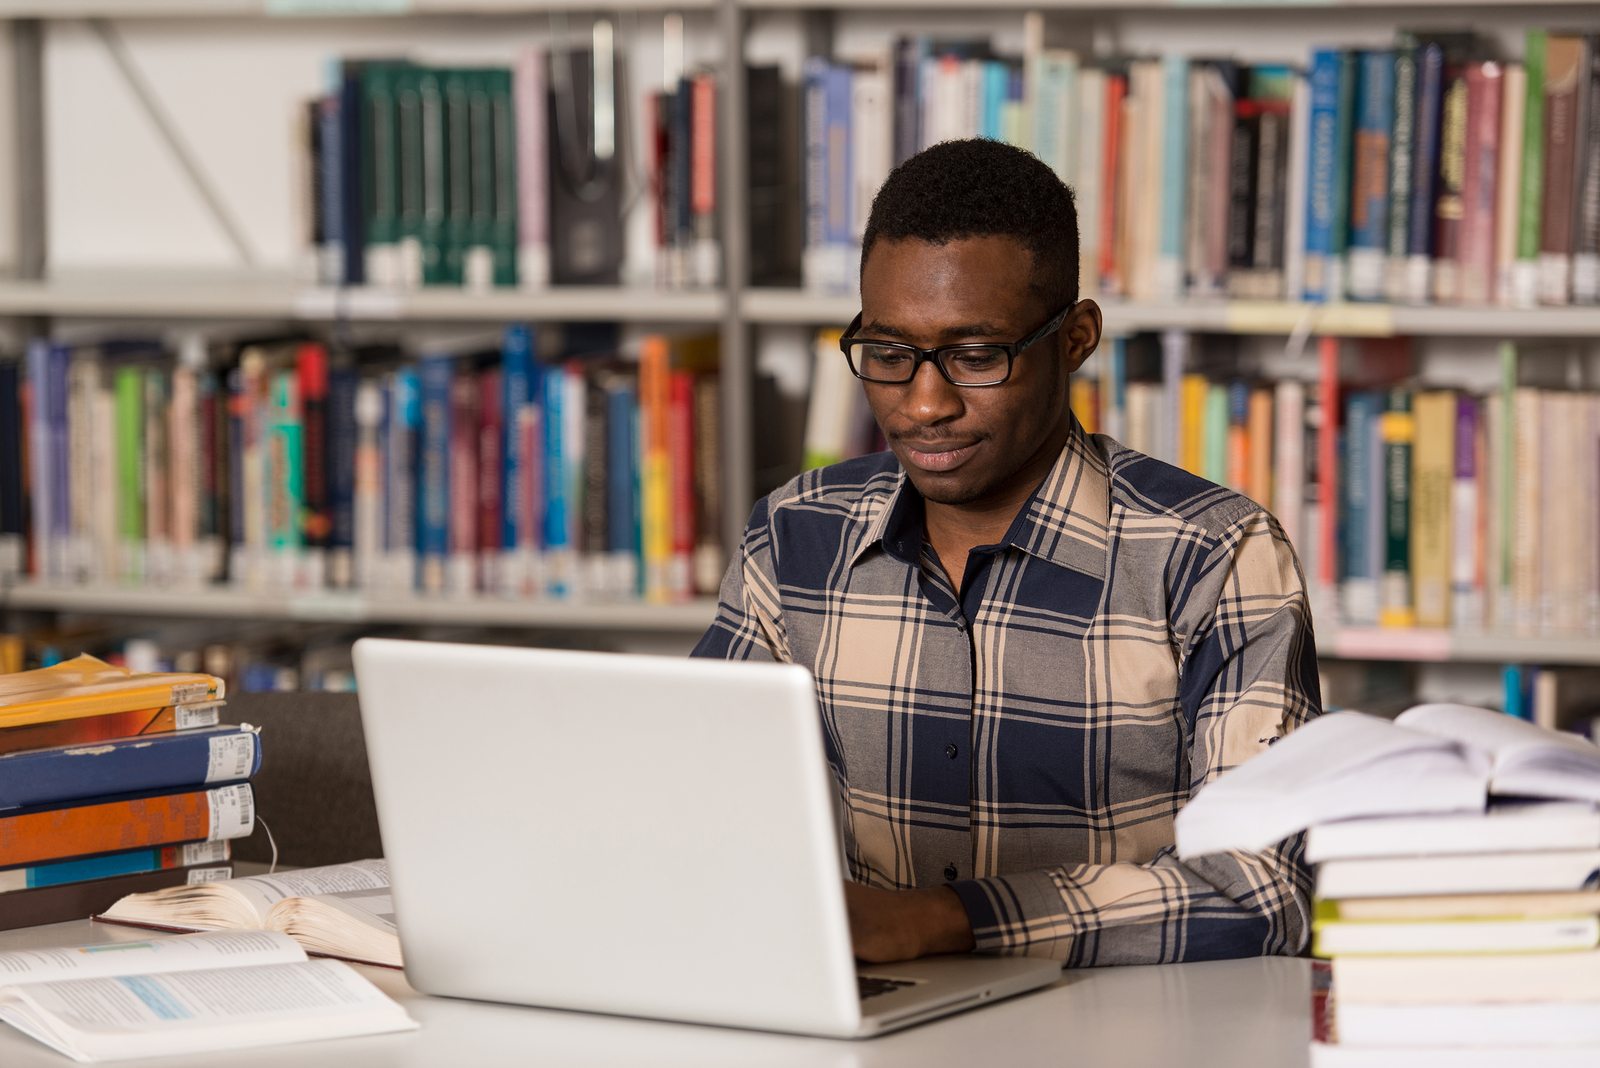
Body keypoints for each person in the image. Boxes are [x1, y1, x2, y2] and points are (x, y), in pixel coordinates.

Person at [693, 139, 1321, 967]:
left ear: (1076, 339)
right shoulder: (794, 536)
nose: (924, 404)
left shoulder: (1214, 555)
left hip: (1128, 1035)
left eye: (976, 356)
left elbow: (1262, 888)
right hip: (872, 1029)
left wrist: (940, 919)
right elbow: (696, 806)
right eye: (887, 355)